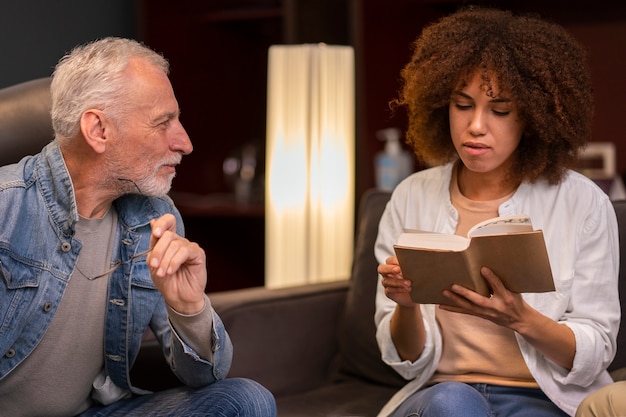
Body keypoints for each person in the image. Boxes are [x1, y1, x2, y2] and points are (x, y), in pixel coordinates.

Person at [0, 37, 277, 417]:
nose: (186, 143)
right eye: (163, 122)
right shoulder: (6, 207)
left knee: (244, 400)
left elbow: (205, 377)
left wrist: (190, 309)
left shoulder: (155, 219)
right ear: (98, 129)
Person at [374, 7, 620, 417]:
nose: (475, 126)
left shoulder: (582, 202)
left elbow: (596, 351)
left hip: (544, 401)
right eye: (462, 105)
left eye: (500, 110)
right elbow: (405, 360)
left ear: (533, 116)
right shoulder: (409, 196)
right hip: (440, 398)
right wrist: (406, 304)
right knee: (455, 403)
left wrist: (520, 317)